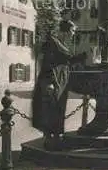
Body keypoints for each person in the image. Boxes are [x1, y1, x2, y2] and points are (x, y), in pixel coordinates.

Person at [32, 20, 87, 150]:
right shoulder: (54, 43)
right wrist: (49, 82)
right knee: (50, 111)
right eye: (72, 31)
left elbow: (65, 61)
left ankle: (55, 140)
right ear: (66, 31)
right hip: (53, 82)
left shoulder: (60, 44)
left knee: (57, 110)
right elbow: (48, 64)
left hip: (60, 82)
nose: (73, 34)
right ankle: (49, 141)